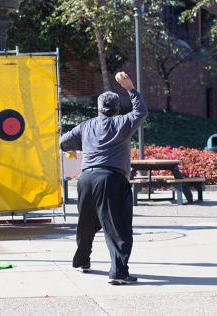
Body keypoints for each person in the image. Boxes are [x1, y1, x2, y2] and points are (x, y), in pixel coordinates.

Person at [59, 71, 148, 285]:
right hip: (111, 179)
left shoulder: (86, 126)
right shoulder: (123, 123)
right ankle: (118, 272)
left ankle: (82, 261)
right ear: (117, 109)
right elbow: (141, 112)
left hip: (86, 179)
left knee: (86, 223)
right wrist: (130, 89)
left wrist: (88, 145)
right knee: (119, 226)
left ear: (98, 108)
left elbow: (63, 143)